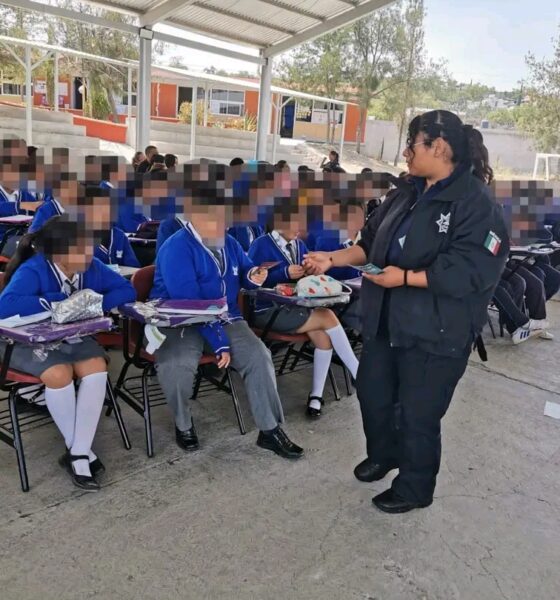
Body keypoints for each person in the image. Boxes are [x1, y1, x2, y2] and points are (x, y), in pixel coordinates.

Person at [304, 110, 509, 513]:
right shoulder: (406, 192)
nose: (405, 153)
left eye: (412, 145)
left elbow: (472, 269)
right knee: (373, 393)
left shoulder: (475, 202)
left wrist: (405, 278)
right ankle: (385, 454)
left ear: (439, 147)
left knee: (418, 412)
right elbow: (369, 242)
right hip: (386, 320)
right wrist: (332, 258)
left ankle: (415, 487)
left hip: (437, 331)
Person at [150, 195, 304, 460]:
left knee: (259, 355)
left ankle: (270, 429)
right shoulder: (176, 248)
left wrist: (254, 276)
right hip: (180, 320)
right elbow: (191, 304)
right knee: (177, 364)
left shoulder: (228, 242)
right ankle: (183, 423)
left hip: (225, 317)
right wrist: (219, 341)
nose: (226, 224)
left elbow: (244, 270)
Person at [0, 215, 136, 491]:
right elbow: (5, 305)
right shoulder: (34, 269)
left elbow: (126, 289)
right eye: (82, 248)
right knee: (59, 374)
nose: (90, 253)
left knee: (97, 367)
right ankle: (81, 454)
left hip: (69, 336)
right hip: (24, 341)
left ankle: (78, 452)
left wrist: (94, 305)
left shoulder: (91, 267)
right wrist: (58, 300)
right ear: (59, 253)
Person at [248, 197, 360, 418]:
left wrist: (311, 270)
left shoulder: (299, 245)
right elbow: (251, 281)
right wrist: (283, 273)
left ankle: (316, 397)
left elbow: (305, 280)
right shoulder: (261, 245)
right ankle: (358, 372)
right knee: (327, 316)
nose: (300, 227)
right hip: (267, 310)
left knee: (323, 338)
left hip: (295, 307)